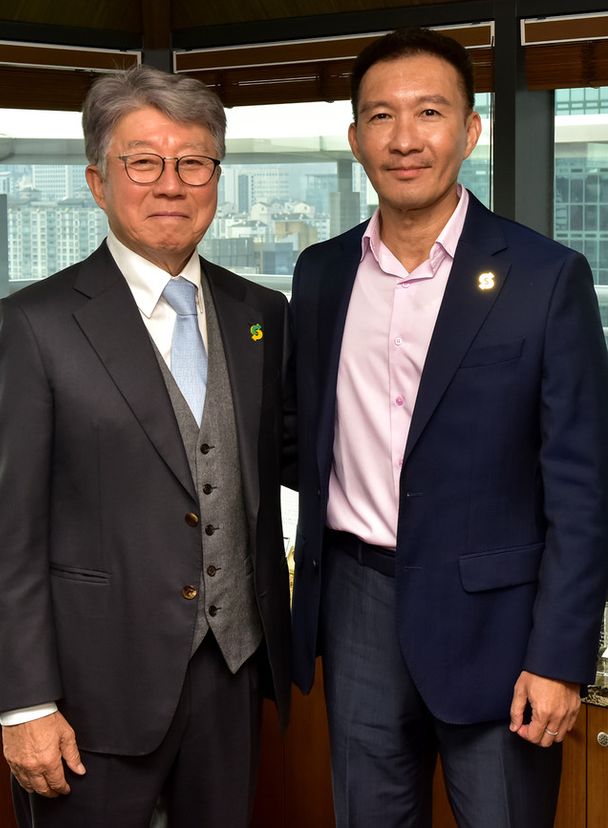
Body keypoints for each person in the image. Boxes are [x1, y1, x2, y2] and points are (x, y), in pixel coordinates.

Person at [290, 27, 608, 828]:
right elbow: (302, 435)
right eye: (382, 116)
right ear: (355, 139)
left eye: (429, 113)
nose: (405, 139)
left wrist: (559, 658)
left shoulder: (546, 278)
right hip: (357, 603)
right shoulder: (321, 273)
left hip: (499, 628)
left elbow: (583, 489)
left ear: (470, 131)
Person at [0, 65, 294, 828]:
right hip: (90, 691)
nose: (171, 184)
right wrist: (25, 703)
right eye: (143, 162)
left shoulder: (260, 312)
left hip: (233, 672)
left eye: (194, 162)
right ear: (98, 181)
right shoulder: (34, 325)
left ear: (216, 178)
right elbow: (8, 533)